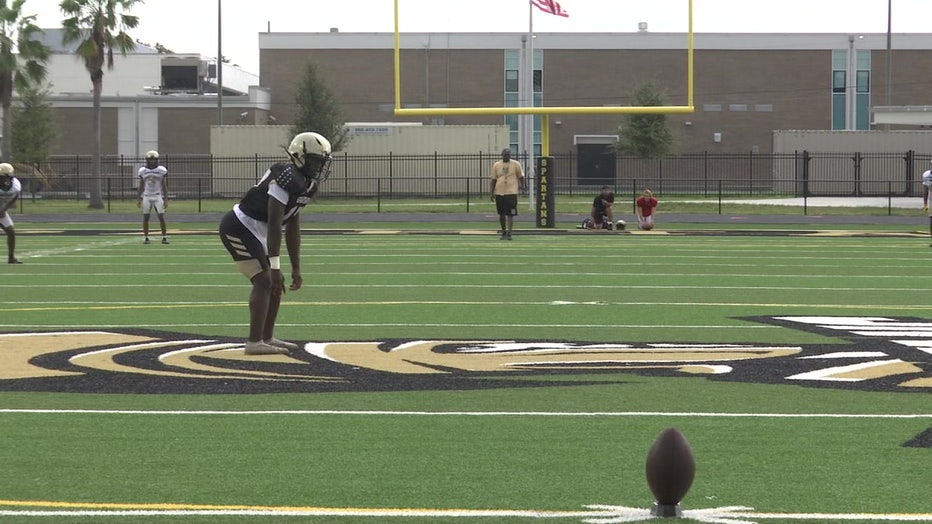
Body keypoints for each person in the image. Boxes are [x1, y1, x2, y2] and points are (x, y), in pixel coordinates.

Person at [219, 131, 332, 355]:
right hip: (239, 226)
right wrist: (276, 266)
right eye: (315, 160)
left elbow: (292, 226)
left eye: (321, 162)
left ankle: (267, 337)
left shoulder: (306, 184)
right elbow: (274, 223)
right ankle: (254, 342)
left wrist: (296, 268)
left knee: (274, 283)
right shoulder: (285, 176)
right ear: (299, 155)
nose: (318, 166)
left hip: (257, 230)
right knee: (264, 280)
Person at [489, 148, 525, 240]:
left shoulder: (516, 164)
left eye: (508, 155)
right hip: (500, 192)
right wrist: (491, 192)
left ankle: (509, 232)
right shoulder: (497, 165)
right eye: (505, 155)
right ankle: (504, 231)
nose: (507, 156)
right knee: (501, 214)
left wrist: (523, 186)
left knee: (510, 214)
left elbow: (521, 176)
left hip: (511, 192)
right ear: (502, 155)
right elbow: (493, 179)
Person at [136, 150, 169, 244]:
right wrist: (138, 198)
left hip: (158, 196)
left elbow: (164, 185)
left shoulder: (161, 170)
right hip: (146, 196)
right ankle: (146, 238)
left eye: (154, 159)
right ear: (147, 160)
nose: (152, 161)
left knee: (161, 217)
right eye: (150, 159)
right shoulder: (143, 171)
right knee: (146, 217)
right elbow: (141, 185)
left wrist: (166, 199)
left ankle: (164, 237)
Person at [0, 163, 22, 264]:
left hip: (1, 210)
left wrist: (4, 209)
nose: (5, 180)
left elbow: (15, 198)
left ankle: (11, 257)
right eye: (2, 177)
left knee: (11, 232)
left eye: (7, 177)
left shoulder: (16, 185)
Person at [923, 160, 932, 245]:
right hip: (931, 200)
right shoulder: (927, 175)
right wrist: (925, 203)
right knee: (931, 220)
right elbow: (925, 190)